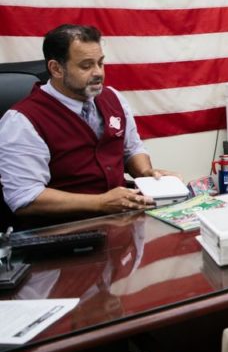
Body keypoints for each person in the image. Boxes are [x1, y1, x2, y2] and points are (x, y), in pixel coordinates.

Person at [0, 24, 174, 229]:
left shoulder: (113, 98)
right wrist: (101, 202)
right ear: (56, 68)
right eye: (86, 66)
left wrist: (145, 172)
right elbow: (25, 197)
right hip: (62, 235)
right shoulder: (22, 120)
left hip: (121, 226)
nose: (98, 73)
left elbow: (132, 149)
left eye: (100, 63)